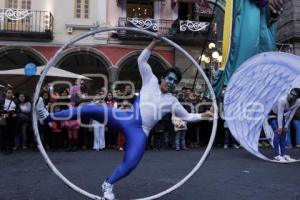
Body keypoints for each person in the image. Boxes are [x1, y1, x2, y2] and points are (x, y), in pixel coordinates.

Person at [35, 38, 213, 200]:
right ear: (163, 78)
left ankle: (108, 184)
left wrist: (204, 115)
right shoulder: (150, 79)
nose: (172, 82)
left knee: (131, 163)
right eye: (170, 78)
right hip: (126, 117)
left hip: (140, 132)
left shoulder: (172, 101)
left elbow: (188, 116)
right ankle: (48, 117)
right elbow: (141, 60)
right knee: (89, 109)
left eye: (175, 81)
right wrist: (154, 42)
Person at [268, 88, 300, 162]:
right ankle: (276, 155)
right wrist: (280, 127)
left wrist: (286, 126)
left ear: (297, 97)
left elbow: (291, 115)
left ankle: (283, 154)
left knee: (284, 133)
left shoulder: (298, 102)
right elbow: (280, 114)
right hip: (273, 115)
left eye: (294, 96)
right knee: (277, 132)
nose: (291, 96)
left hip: (282, 117)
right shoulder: (282, 100)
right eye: (291, 94)